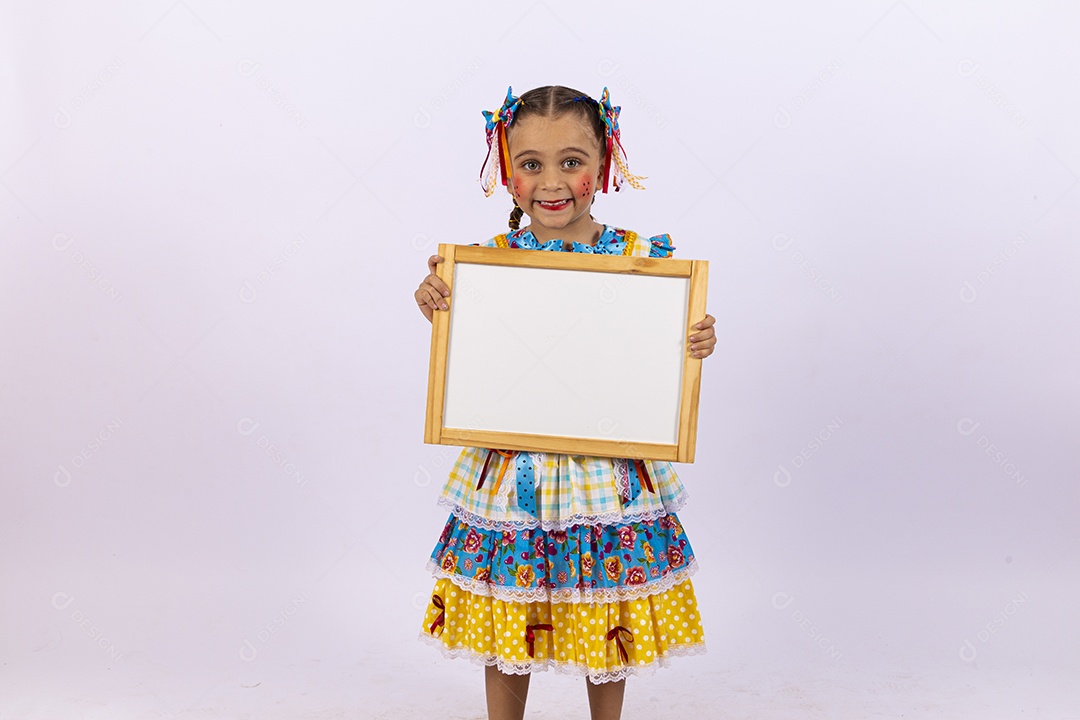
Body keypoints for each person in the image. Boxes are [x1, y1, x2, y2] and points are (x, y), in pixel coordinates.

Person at [413, 85, 717, 720]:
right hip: (514, 463)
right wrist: (440, 302)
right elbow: (476, 353)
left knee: (606, 602)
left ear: (603, 165)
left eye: (572, 161)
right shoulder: (486, 265)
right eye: (531, 164)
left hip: (605, 467)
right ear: (507, 170)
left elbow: (655, 348)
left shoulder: (641, 261)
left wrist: (692, 338)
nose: (551, 182)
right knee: (508, 606)